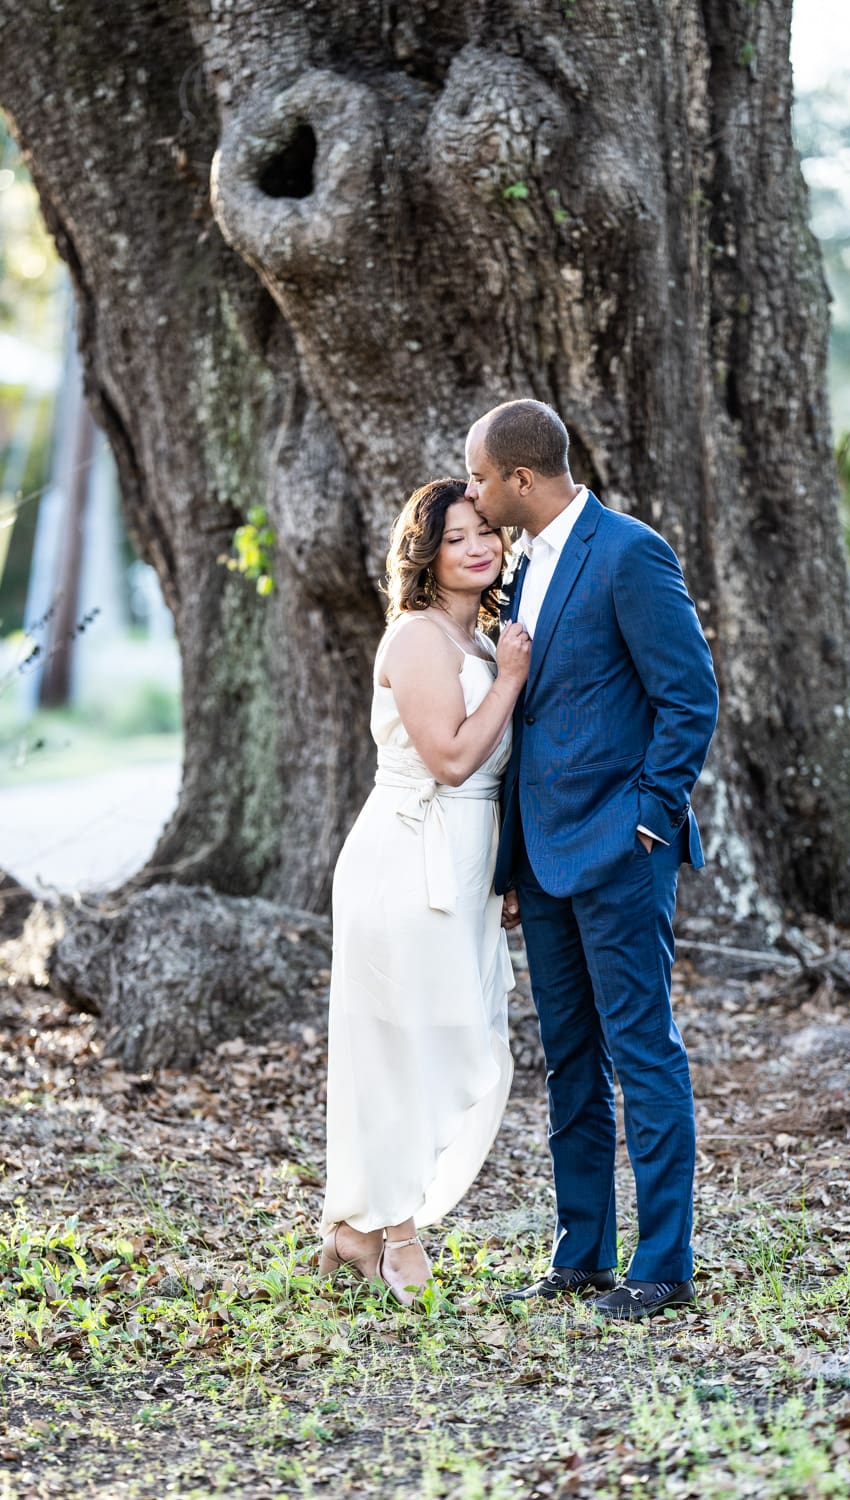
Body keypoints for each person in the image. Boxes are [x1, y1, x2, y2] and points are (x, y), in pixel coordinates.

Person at [465, 400, 719, 1320]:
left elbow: (690, 696)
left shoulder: (629, 552)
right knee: (571, 1061)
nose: (473, 491)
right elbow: (532, 718)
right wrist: (508, 865)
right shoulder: (523, 565)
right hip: (540, 864)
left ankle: (663, 1265)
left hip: (619, 852)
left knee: (642, 1051)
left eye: (482, 477)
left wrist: (650, 819)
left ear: (522, 480)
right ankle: (581, 1253)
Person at [319, 477, 531, 1306]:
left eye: (486, 531)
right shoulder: (416, 640)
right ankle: (394, 1232)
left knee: (462, 1035)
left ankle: (356, 1226)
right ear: (426, 554)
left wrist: (504, 869)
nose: (480, 546)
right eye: (457, 537)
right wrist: (511, 679)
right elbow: (449, 759)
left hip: (468, 864)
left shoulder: (477, 639)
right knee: (408, 1043)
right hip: (406, 860)